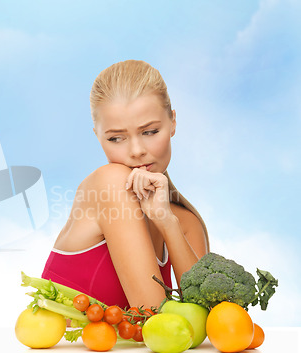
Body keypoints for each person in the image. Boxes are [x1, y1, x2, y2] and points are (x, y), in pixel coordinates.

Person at [41, 60, 210, 310]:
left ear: (172, 122)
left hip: (131, 351)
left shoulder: (184, 222)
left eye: (150, 132)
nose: (136, 151)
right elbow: (152, 313)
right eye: (116, 138)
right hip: (64, 348)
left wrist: (166, 221)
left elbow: (210, 318)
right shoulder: (110, 182)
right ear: (98, 137)